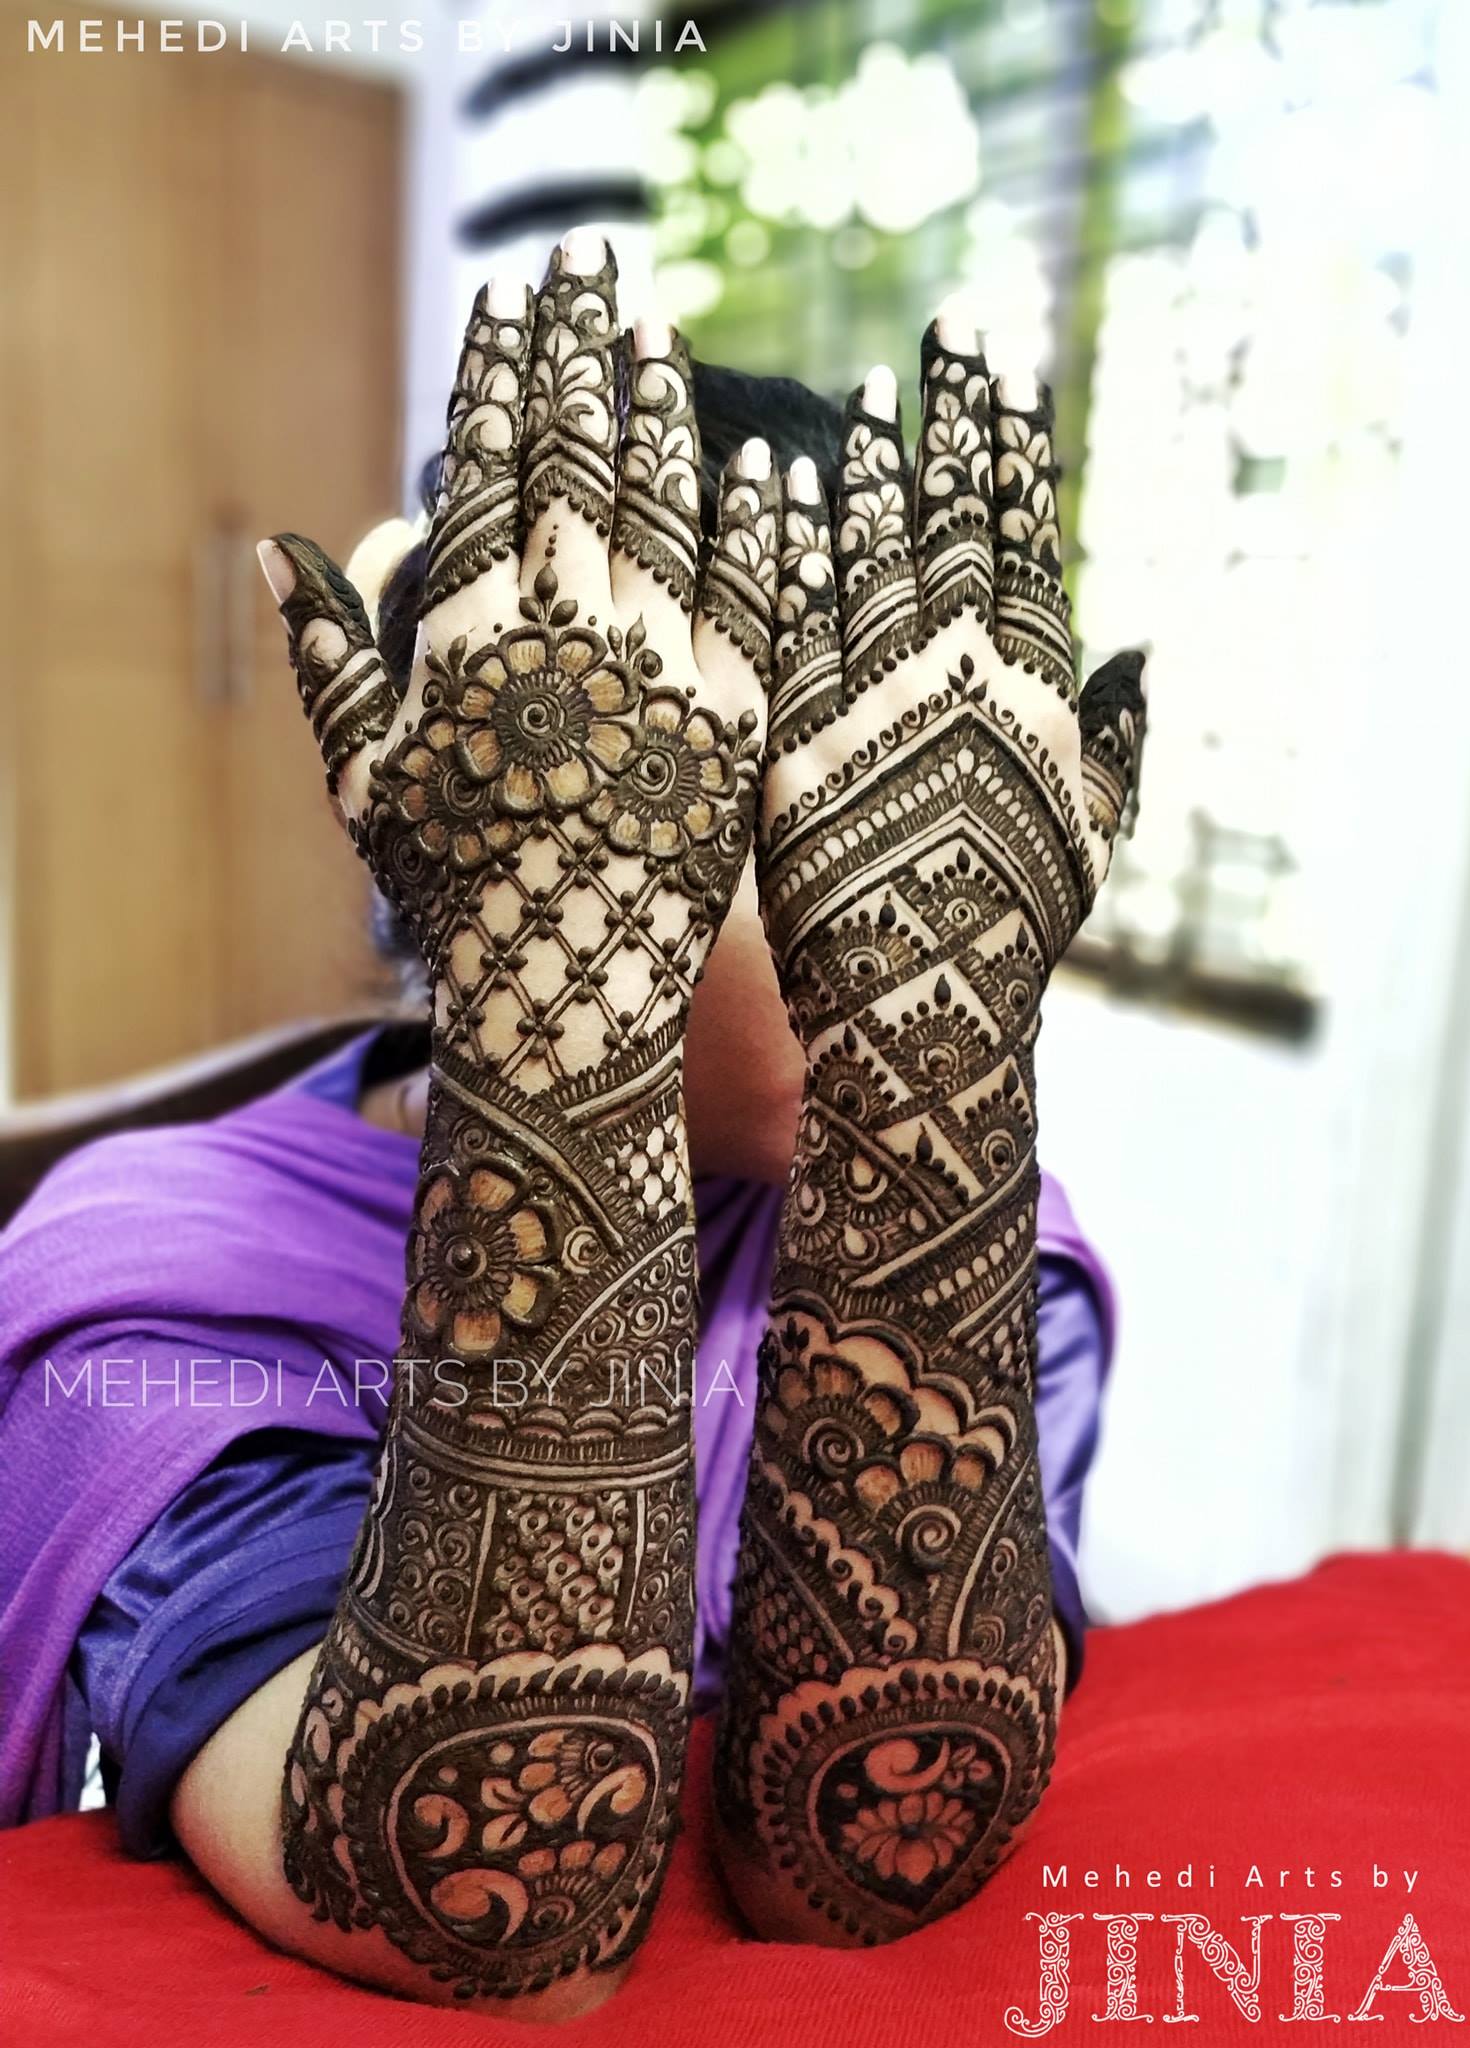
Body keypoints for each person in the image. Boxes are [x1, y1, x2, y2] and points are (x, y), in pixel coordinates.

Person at [0, 228, 1142, 2020]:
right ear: (492, 820)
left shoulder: (1002, 1258)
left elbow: (867, 1866)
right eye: (779, 810)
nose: (895, 928)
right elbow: (500, 1930)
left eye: (935, 814)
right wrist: (559, 989)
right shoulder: (159, 1290)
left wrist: (929, 1115)